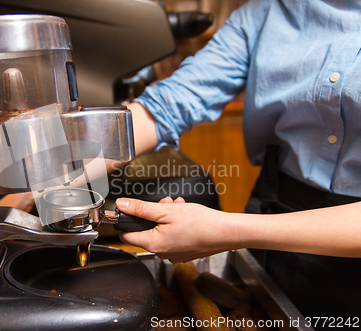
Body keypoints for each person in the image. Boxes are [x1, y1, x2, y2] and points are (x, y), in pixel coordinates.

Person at [115, 0, 361, 325]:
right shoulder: (266, 12)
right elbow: (168, 105)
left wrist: (227, 229)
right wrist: (55, 165)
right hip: (278, 216)